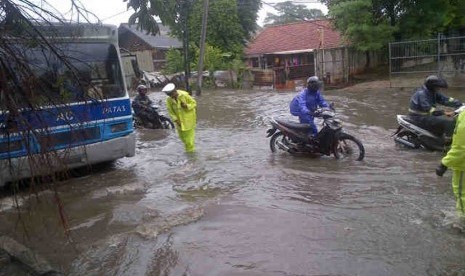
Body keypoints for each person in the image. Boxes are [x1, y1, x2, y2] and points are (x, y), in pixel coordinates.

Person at [408, 75, 462, 142]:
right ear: (432, 86)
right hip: (418, 117)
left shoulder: (433, 92)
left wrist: (460, 104)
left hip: (427, 116)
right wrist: (444, 112)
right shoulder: (421, 94)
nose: (439, 89)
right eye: (437, 87)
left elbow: (445, 100)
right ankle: (447, 144)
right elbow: (429, 109)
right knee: (449, 122)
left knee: (452, 120)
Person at [436, 110, 465, 214]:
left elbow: (461, 148)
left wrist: (444, 163)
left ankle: (462, 222)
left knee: (462, 195)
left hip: (462, 166)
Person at [163, 83, 197, 153]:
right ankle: (189, 151)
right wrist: (175, 120)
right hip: (179, 122)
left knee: (189, 140)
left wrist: (187, 106)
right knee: (183, 138)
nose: (171, 97)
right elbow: (170, 111)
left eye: (171, 95)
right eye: (169, 95)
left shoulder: (184, 95)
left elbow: (194, 103)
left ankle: (191, 156)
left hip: (188, 121)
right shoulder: (169, 100)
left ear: (175, 91)